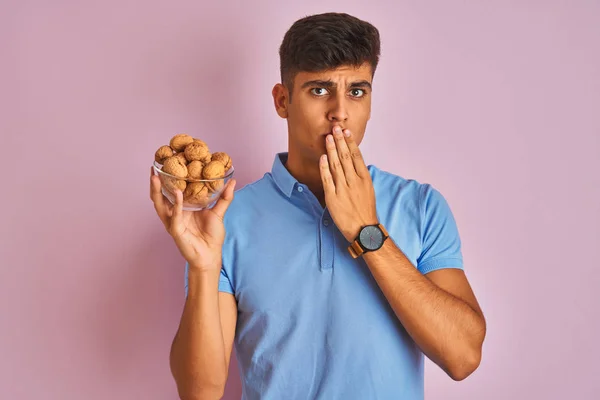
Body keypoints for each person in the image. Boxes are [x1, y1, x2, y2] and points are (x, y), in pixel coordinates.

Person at [150, 12, 486, 400]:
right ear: (282, 100)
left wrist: (367, 231)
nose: (340, 111)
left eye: (357, 91)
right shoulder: (227, 220)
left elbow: (463, 357)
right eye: (319, 90)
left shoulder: (422, 206)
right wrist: (203, 266)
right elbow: (199, 392)